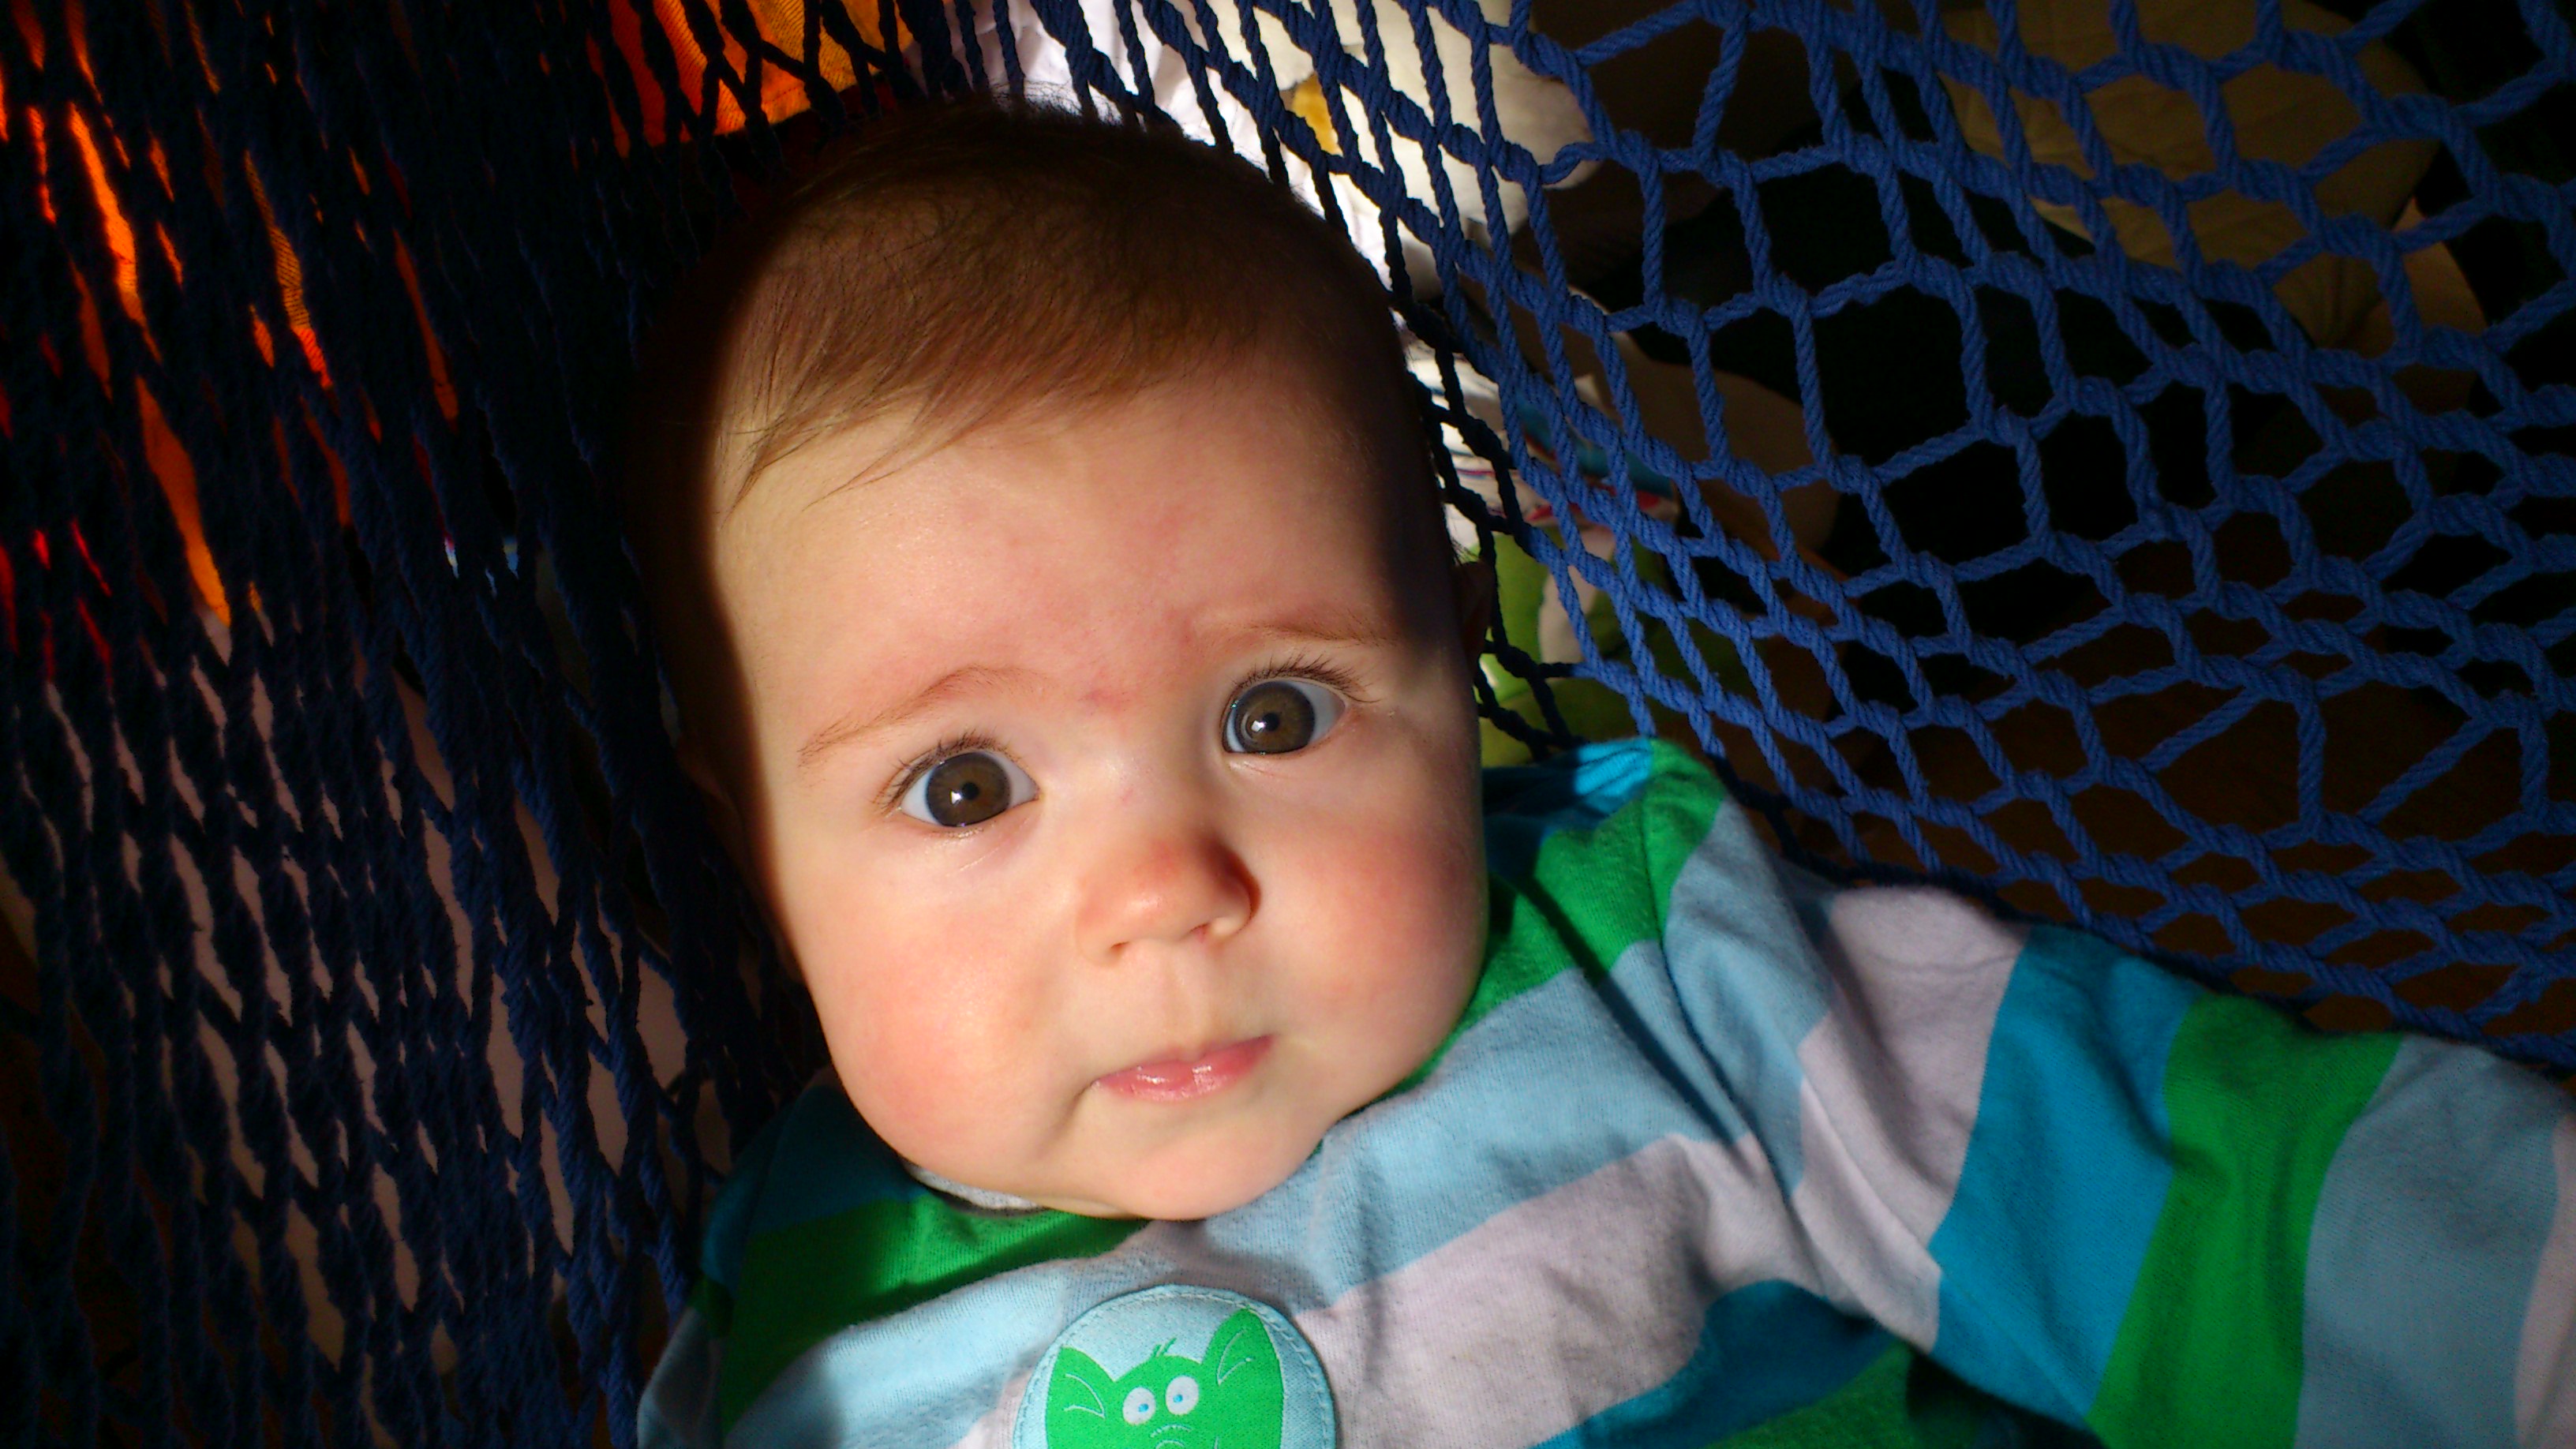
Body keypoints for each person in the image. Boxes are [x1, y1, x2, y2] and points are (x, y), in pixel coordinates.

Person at [621, 96, 2574, 1449]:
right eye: (966, 787)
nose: (1165, 892)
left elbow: (2180, 1197)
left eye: (1276, 717)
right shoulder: (792, 1310)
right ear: (756, 852)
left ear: (1448, 658)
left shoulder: (1658, 975)